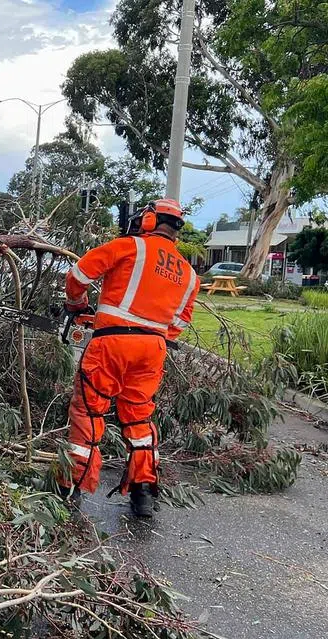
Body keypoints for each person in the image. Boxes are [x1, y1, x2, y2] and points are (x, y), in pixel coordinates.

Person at [56, 199, 199, 518]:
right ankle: (143, 492)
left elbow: (78, 276)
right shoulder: (189, 274)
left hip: (112, 346)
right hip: (153, 351)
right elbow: (179, 323)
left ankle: (71, 489)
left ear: (148, 220)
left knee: (89, 411)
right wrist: (146, 331)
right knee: (138, 417)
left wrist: (78, 307)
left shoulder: (128, 247)